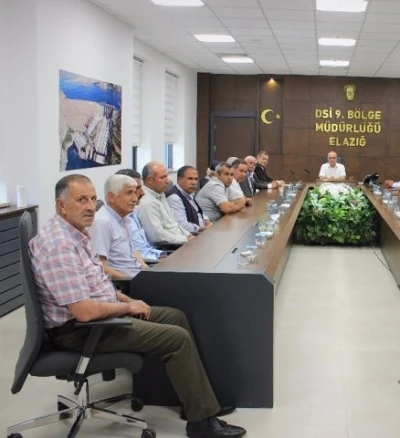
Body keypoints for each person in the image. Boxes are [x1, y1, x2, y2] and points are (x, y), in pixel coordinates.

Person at [30, 174, 245, 438]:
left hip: (95, 317)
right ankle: (201, 422)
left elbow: (97, 284)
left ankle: (192, 401)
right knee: (176, 338)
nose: (90, 207)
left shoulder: (75, 234)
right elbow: (84, 312)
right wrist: (126, 308)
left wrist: (128, 300)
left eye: (93, 199)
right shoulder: (59, 246)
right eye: (81, 200)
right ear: (61, 206)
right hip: (80, 332)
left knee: (175, 317)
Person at [89, 174, 146, 279]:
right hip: (125, 283)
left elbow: (134, 252)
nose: (135, 199)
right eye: (129, 193)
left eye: (135, 192)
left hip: (138, 277)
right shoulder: (102, 223)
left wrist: (149, 273)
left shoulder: (125, 219)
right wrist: (134, 281)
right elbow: (101, 267)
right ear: (111, 197)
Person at [115, 169, 165, 263]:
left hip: (153, 257)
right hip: (147, 264)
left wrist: (161, 256)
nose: (143, 193)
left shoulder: (133, 212)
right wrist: (158, 260)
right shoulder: (113, 221)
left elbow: (144, 248)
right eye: (136, 189)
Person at [137, 162, 192, 246]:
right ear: (149, 180)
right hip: (171, 246)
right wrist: (185, 240)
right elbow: (156, 235)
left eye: (167, 176)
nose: (167, 181)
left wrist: (188, 235)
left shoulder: (160, 194)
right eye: (162, 177)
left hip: (181, 240)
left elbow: (173, 224)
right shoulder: (147, 202)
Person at [166, 165, 212, 234]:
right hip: (192, 236)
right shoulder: (174, 198)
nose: (194, 183)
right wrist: (203, 229)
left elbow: (197, 212)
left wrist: (206, 220)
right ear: (179, 180)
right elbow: (182, 225)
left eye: (196, 179)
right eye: (190, 179)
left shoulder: (188, 192)